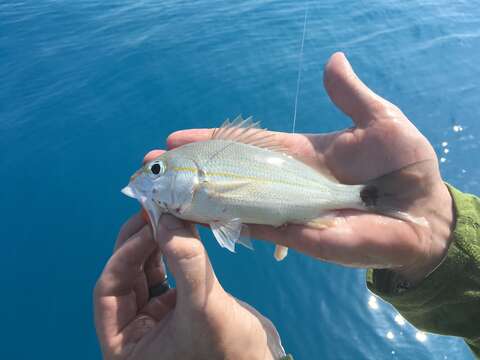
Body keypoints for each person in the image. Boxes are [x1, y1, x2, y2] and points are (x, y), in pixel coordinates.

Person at [94, 52, 480, 359]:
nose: (146, 179)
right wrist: (438, 232)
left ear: (191, 175)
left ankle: (362, 198)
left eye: (157, 170)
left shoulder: (198, 189)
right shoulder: (194, 191)